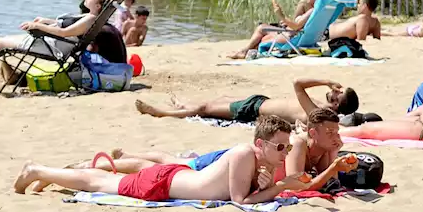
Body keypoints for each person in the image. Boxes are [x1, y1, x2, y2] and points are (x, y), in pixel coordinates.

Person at [13, 115, 309, 204]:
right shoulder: (245, 154)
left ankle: (46, 174)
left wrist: (269, 183)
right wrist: (281, 185)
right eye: (281, 147)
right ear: (261, 143)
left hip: (173, 178)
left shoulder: (255, 161)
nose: (285, 153)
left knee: (102, 180)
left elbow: (244, 194)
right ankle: (37, 169)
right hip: (163, 183)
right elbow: (240, 201)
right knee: (98, 182)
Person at [134, 77, 360, 125]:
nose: (335, 90)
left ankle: (161, 112)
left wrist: (325, 81)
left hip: (253, 110)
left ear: (338, 103)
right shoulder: (321, 108)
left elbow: (297, 83)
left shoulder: (316, 113)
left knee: (204, 109)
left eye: (339, 92)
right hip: (260, 101)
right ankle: (182, 105)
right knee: (218, 100)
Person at [227, 0, 328, 59]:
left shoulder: (313, 10)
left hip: (294, 38)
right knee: (264, 34)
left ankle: (244, 51)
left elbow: (296, 26)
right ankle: (245, 51)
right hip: (306, 39)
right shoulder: (325, 10)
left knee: (261, 30)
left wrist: (281, 15)